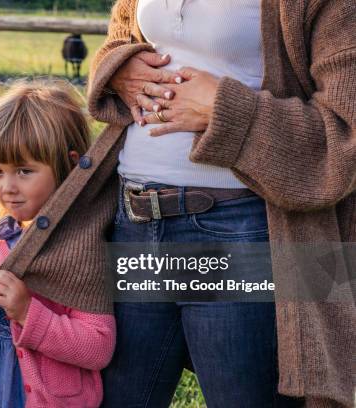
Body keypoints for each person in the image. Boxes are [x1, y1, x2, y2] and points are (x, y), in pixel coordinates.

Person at [83, 0, 355, 407]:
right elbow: (122, 39)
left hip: (241, 229)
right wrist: (120, 68)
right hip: (135, 220)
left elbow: (345, 133)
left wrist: (225, 112)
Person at [0, 81, 116, 408]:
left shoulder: (80, 251)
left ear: (70, 165)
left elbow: (97, 347)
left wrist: (27, 312)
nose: (7, 187)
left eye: (24, 171)